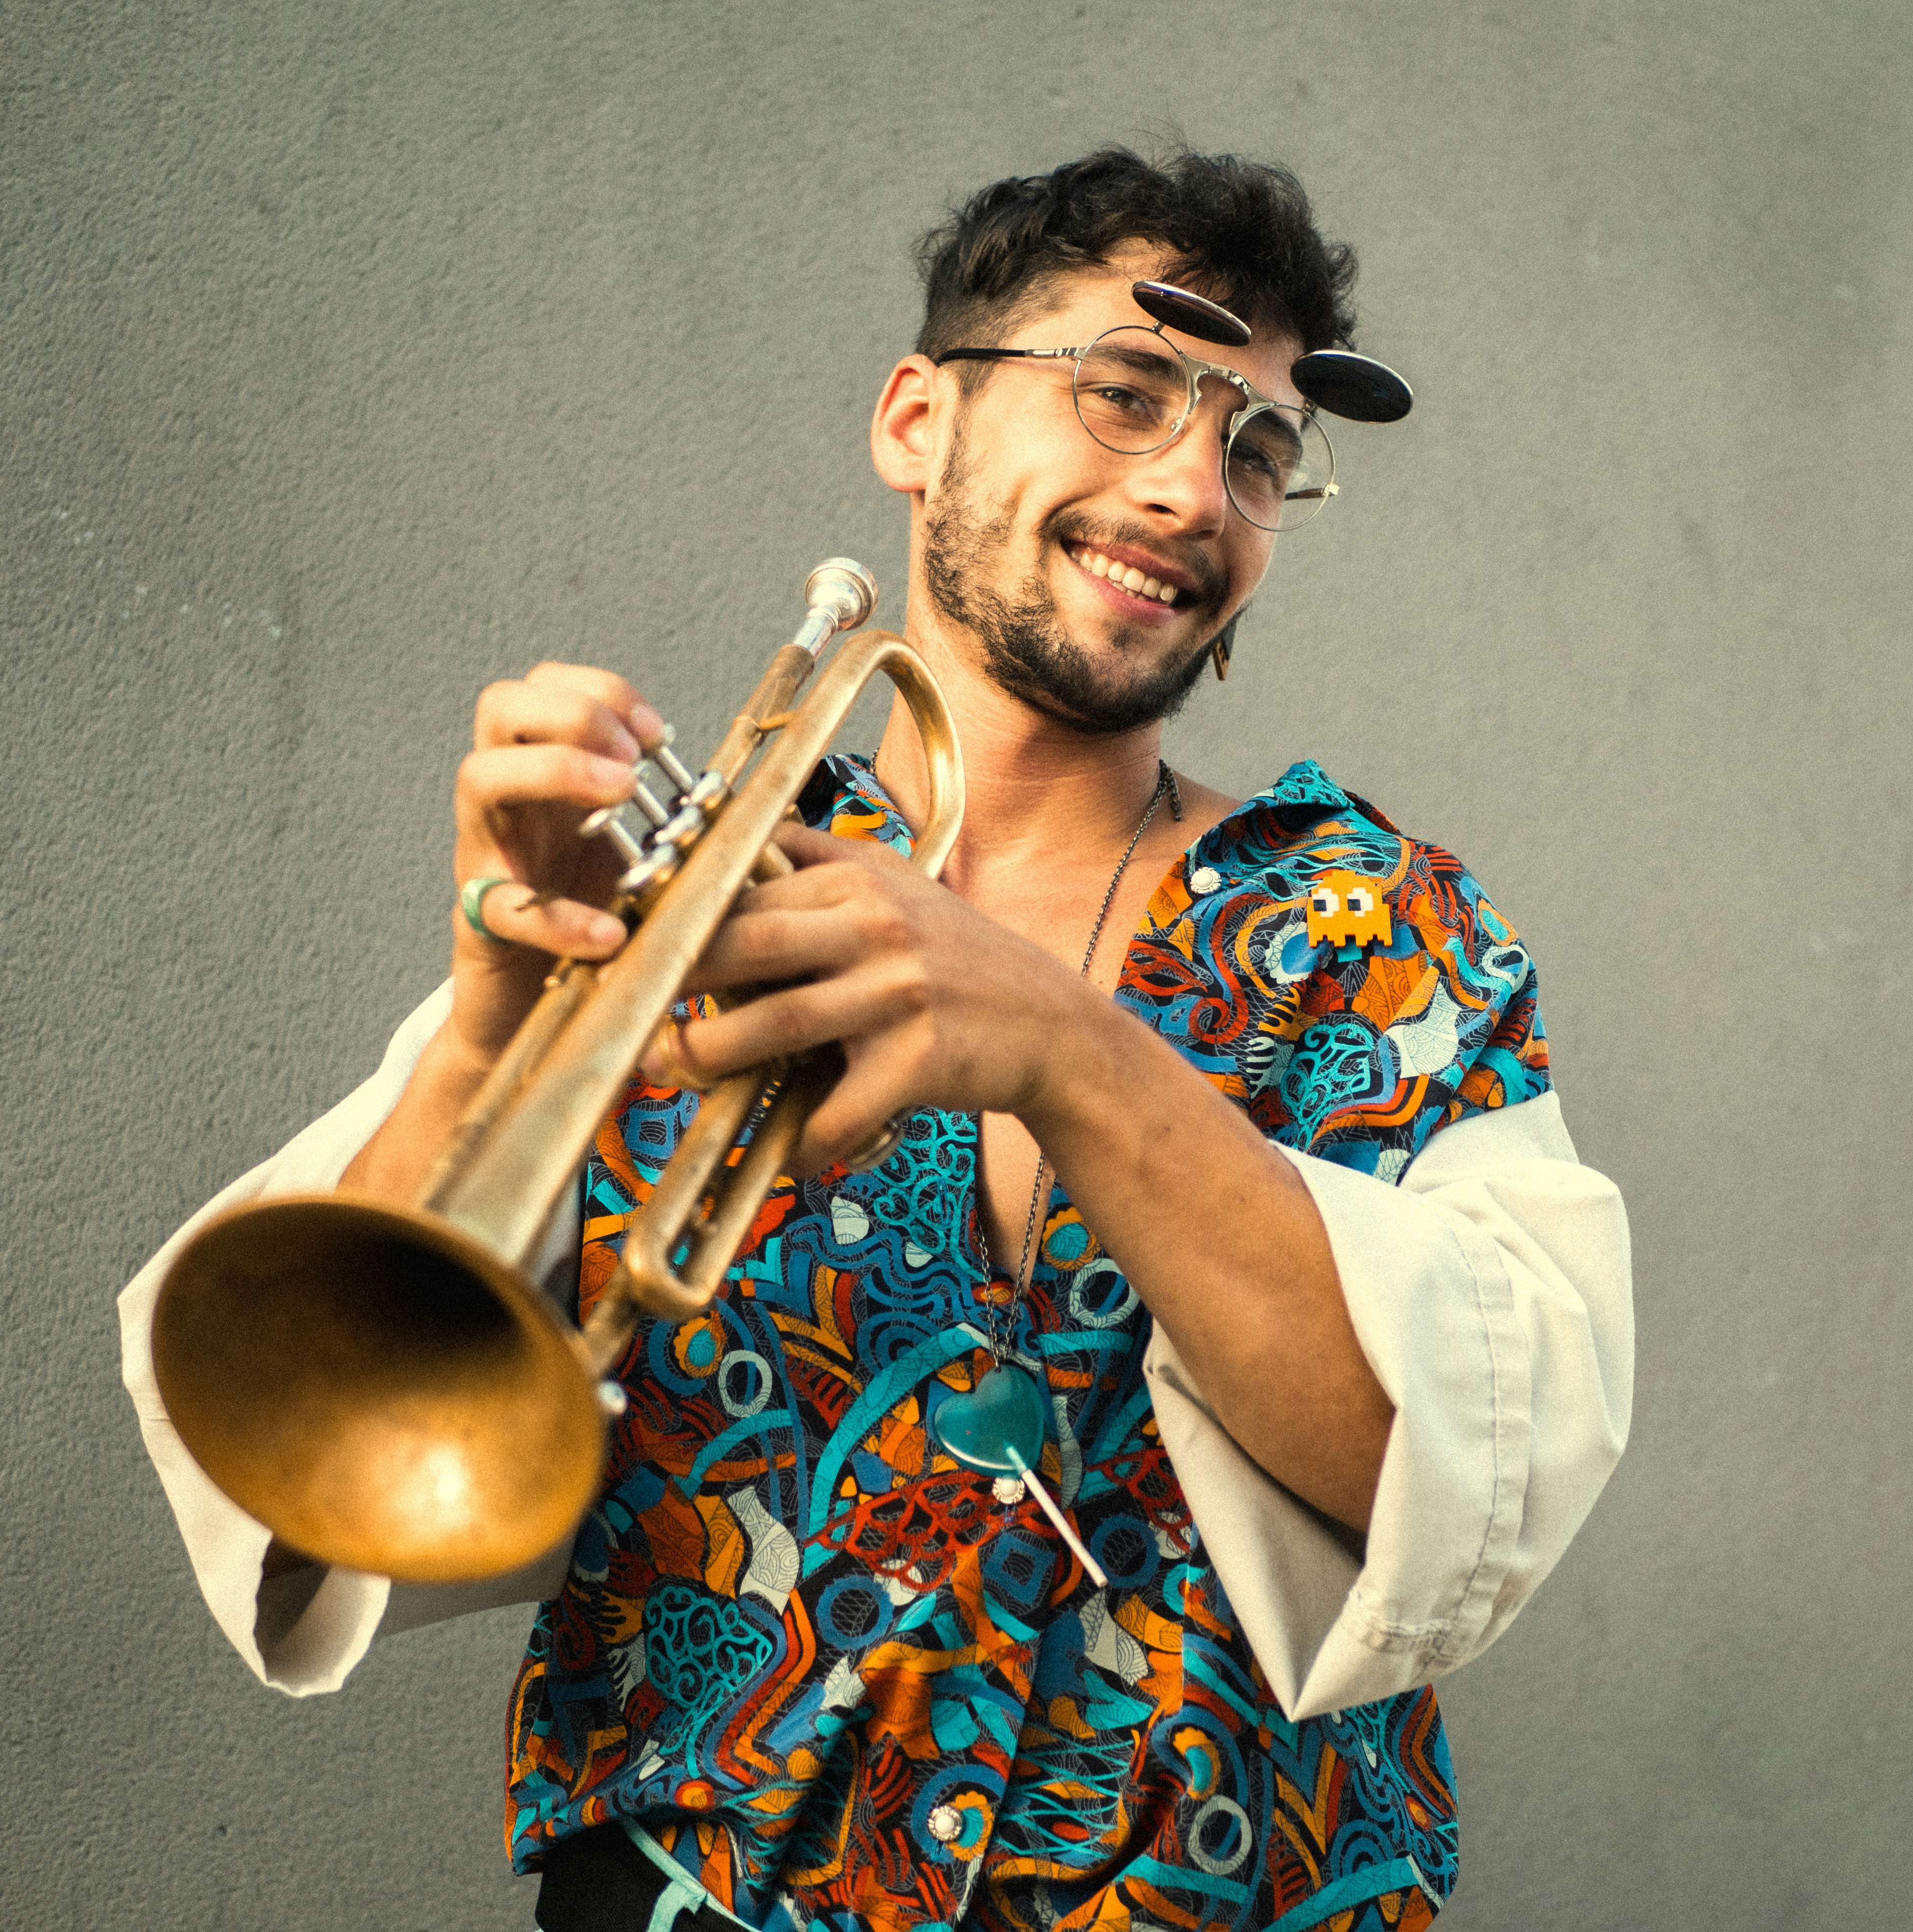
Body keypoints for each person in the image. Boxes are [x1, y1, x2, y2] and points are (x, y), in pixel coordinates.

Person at [119, 145, 1633, 1932]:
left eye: (1260, 451)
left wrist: (1073, 1048)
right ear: (918, 421)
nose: (1192, 489)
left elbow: (1458, 1491)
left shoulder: (1387, 931)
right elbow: (311, 1470)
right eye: (1128, 391)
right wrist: (485, 1032)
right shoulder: (694, 890)